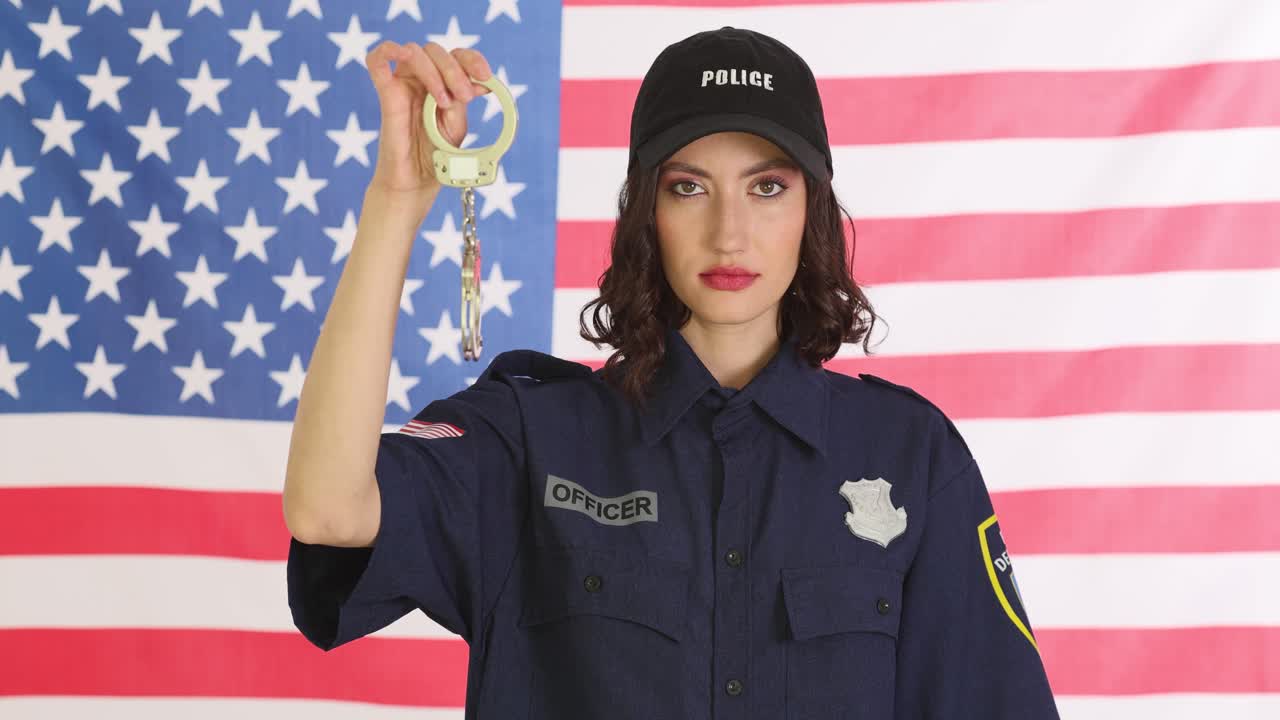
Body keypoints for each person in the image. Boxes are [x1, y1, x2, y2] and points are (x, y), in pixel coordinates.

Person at [283, 27, 1062, 719]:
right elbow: (328, 512)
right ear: (644, 216)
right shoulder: (532, 437)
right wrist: (398, 199)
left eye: (767, 187)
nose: (730, 233)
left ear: (811, 212)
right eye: (688, 187)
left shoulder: (910, 456)